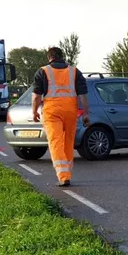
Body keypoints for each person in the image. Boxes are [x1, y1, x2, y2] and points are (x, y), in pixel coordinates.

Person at [32, 47, 90, 187]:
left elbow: (36, 96)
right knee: (68, 141)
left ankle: (63, 176)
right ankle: (67, 172)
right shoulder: (74, 71)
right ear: (61, 56)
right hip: (70, 110)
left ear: (49, 57)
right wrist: (86, 114)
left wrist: (34, 111)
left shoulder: (43, 71)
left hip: (52, 111)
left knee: (56, 142)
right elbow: (82, 95)